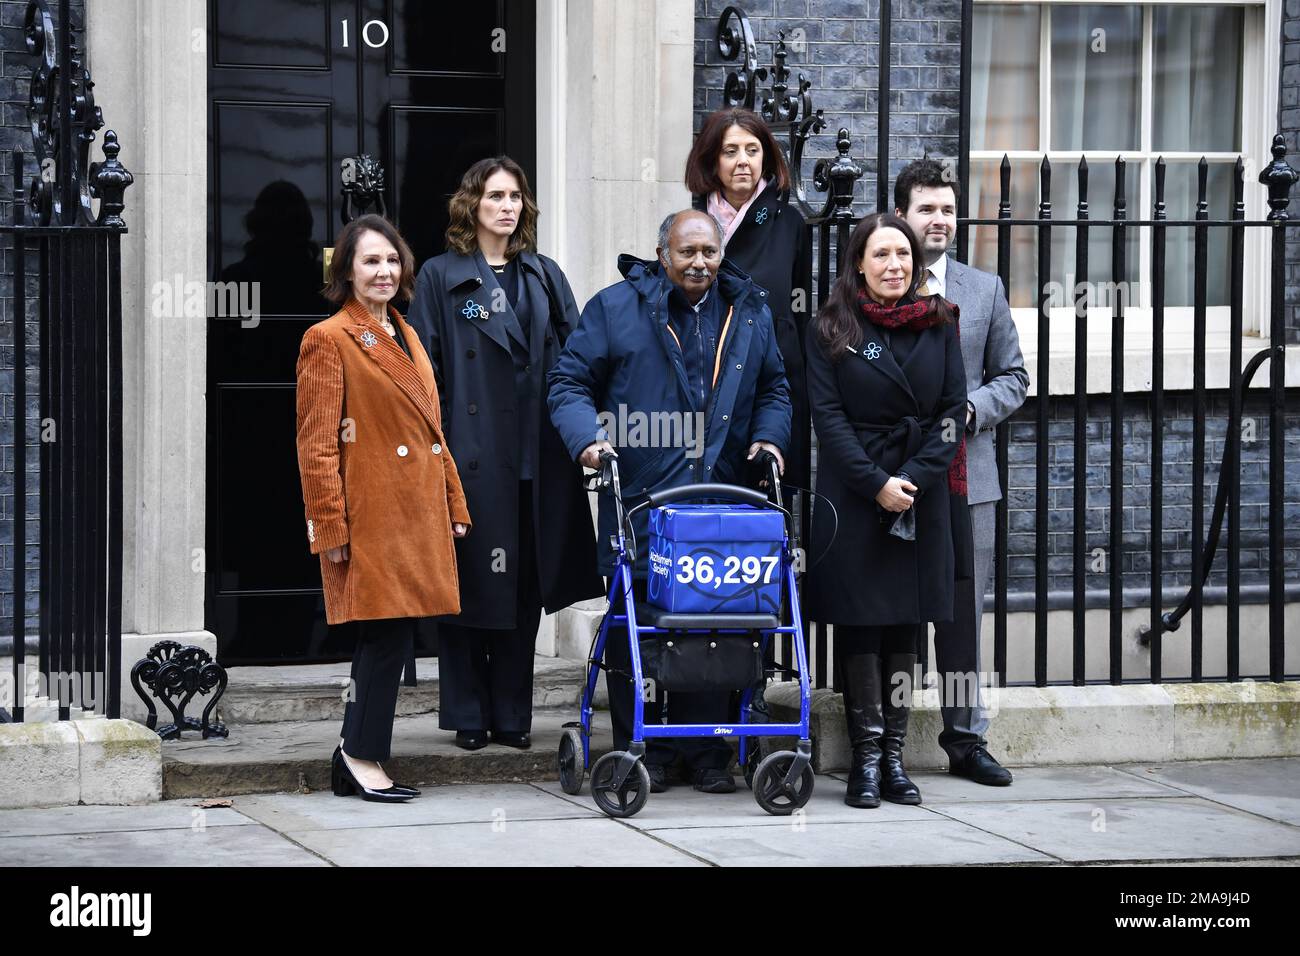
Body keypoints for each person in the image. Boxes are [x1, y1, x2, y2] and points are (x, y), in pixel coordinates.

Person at [548, 209, 791, 794]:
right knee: (639, 623)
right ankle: (645, 748)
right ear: (664, 254)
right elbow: (568, 382)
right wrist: (588, 439)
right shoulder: (614, 308)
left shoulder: (749, 309)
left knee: (716, 622)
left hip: (722, 502)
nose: (700, 263)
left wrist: (769, 436)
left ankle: (708, 754)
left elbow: (775, 388)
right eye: (687, 253)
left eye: (709, 252)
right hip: (640, 501)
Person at [407, 157, 603, 752]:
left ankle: (514, 714)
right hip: (471, 457)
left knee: (522, 590)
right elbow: (426, 371)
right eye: (495, 196)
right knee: (467, 585)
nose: (507, 206)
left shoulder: (544, 275)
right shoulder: (442, 276)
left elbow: (576, 359)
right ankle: (468, 713)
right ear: (473, 204)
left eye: (516, 196)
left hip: (535, 456)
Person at [295, 214, 471, 802]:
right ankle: (359, 755)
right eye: (370, 261)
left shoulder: (407, 334)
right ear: (345, 270)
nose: (384, 271)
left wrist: (453, 499)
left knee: (394, 635)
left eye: (392, 260)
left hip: (415, 509)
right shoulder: (328, 338)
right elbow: (316, 443)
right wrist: (329, 526)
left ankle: (360, 752)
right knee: (382, 636)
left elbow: (434, 432)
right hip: (370, 511)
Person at [804, 213, 967, 808]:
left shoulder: (941, 322)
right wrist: (876, 484)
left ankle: (895, 760)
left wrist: (912, 480)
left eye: (903, 253)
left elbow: (953, 412)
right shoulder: (831, 327)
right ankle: (864, 761)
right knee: (862, 623)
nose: (894, 265)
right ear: (858, 264)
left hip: (920, 491)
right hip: (856, 493)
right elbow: (828, 418)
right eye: (881, 255)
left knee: (906, 623)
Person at [894, 159, 1028, 786]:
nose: (940, 219)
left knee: (961, 615)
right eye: (927, 209)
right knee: (890, 606)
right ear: (902, 216)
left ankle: (965, 738)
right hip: (894, 477)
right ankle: (884, 742)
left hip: (966, 477)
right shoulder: (878, 280)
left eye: (947, 209)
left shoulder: (983, 289)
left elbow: (1016, 377)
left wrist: (971, 410)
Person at [686, 107, 810, 488]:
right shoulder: (688, 224)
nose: (743, 161)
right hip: (704, 379)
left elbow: (799, 308)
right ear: (712, 160)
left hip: (769, 384)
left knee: (764, 515)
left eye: (752, 150)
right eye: (730, 151)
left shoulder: (789, 224)